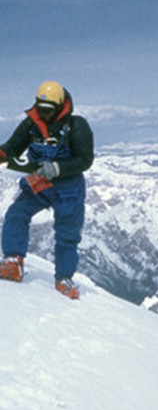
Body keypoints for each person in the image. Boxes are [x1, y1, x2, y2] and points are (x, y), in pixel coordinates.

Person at [0, 81, 94, 299]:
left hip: (68, 186)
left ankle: (64, 278)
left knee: (67, 234)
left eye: (48, 110)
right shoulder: (31, 125)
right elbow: (12, 148)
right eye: (41, 109)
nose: (43, 114)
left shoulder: (76, 126)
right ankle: (13, 263)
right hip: (40, 180)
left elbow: (85, 159)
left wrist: (58, 168)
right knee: (17, 213)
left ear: (60, 106)